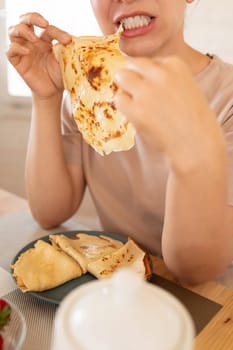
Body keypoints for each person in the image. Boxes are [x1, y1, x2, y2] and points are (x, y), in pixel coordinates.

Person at [7, 0, 233, 285]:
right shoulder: (86, 92)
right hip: (119, 287)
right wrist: (46, 99)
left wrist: (192, 155)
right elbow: (49, 212)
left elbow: (194, 271)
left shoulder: (227, 100)